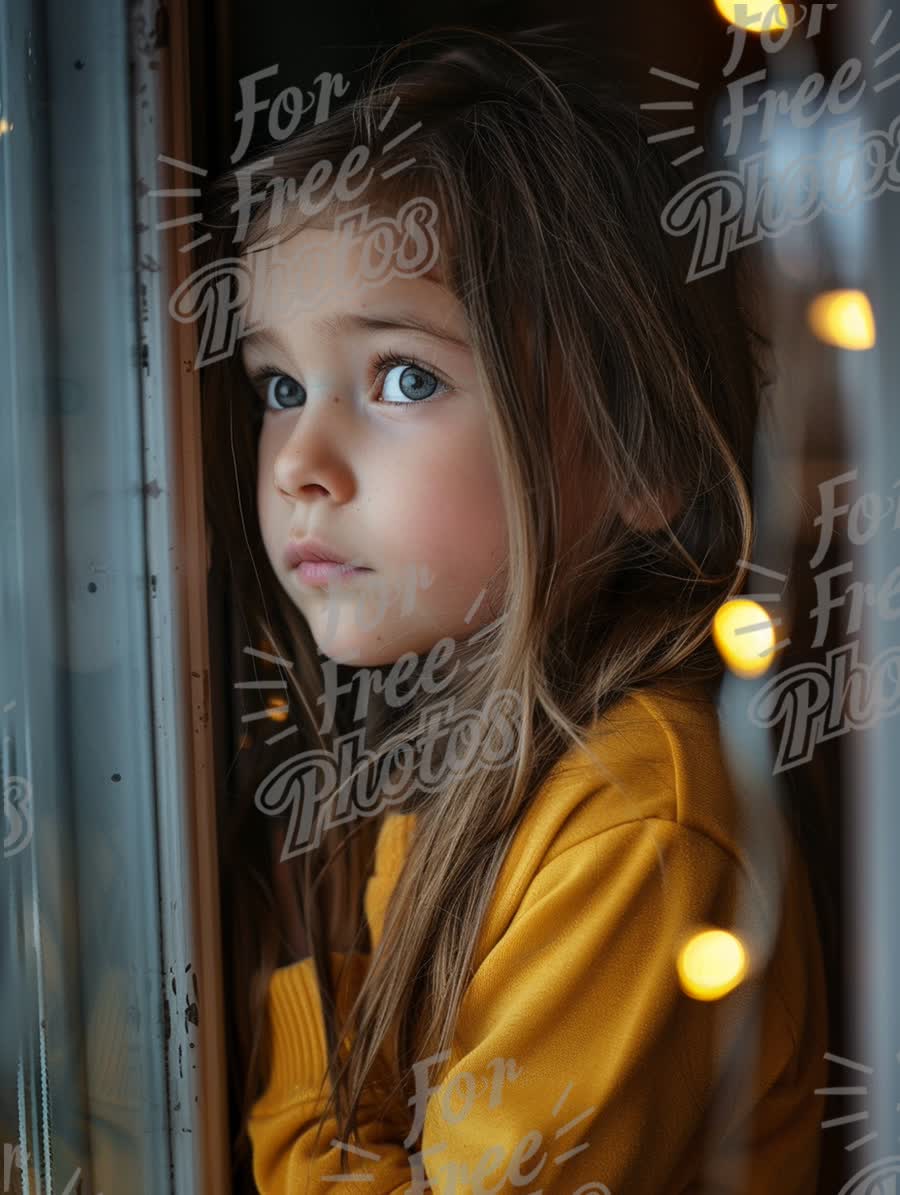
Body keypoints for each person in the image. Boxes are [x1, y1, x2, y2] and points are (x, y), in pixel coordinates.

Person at [199, 24, 829, 1194]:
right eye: (280, 386)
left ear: (639, 455)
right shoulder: (454, 768)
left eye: (403, 378)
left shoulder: (636, 829)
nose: (297, 461)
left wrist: (301, 1010)